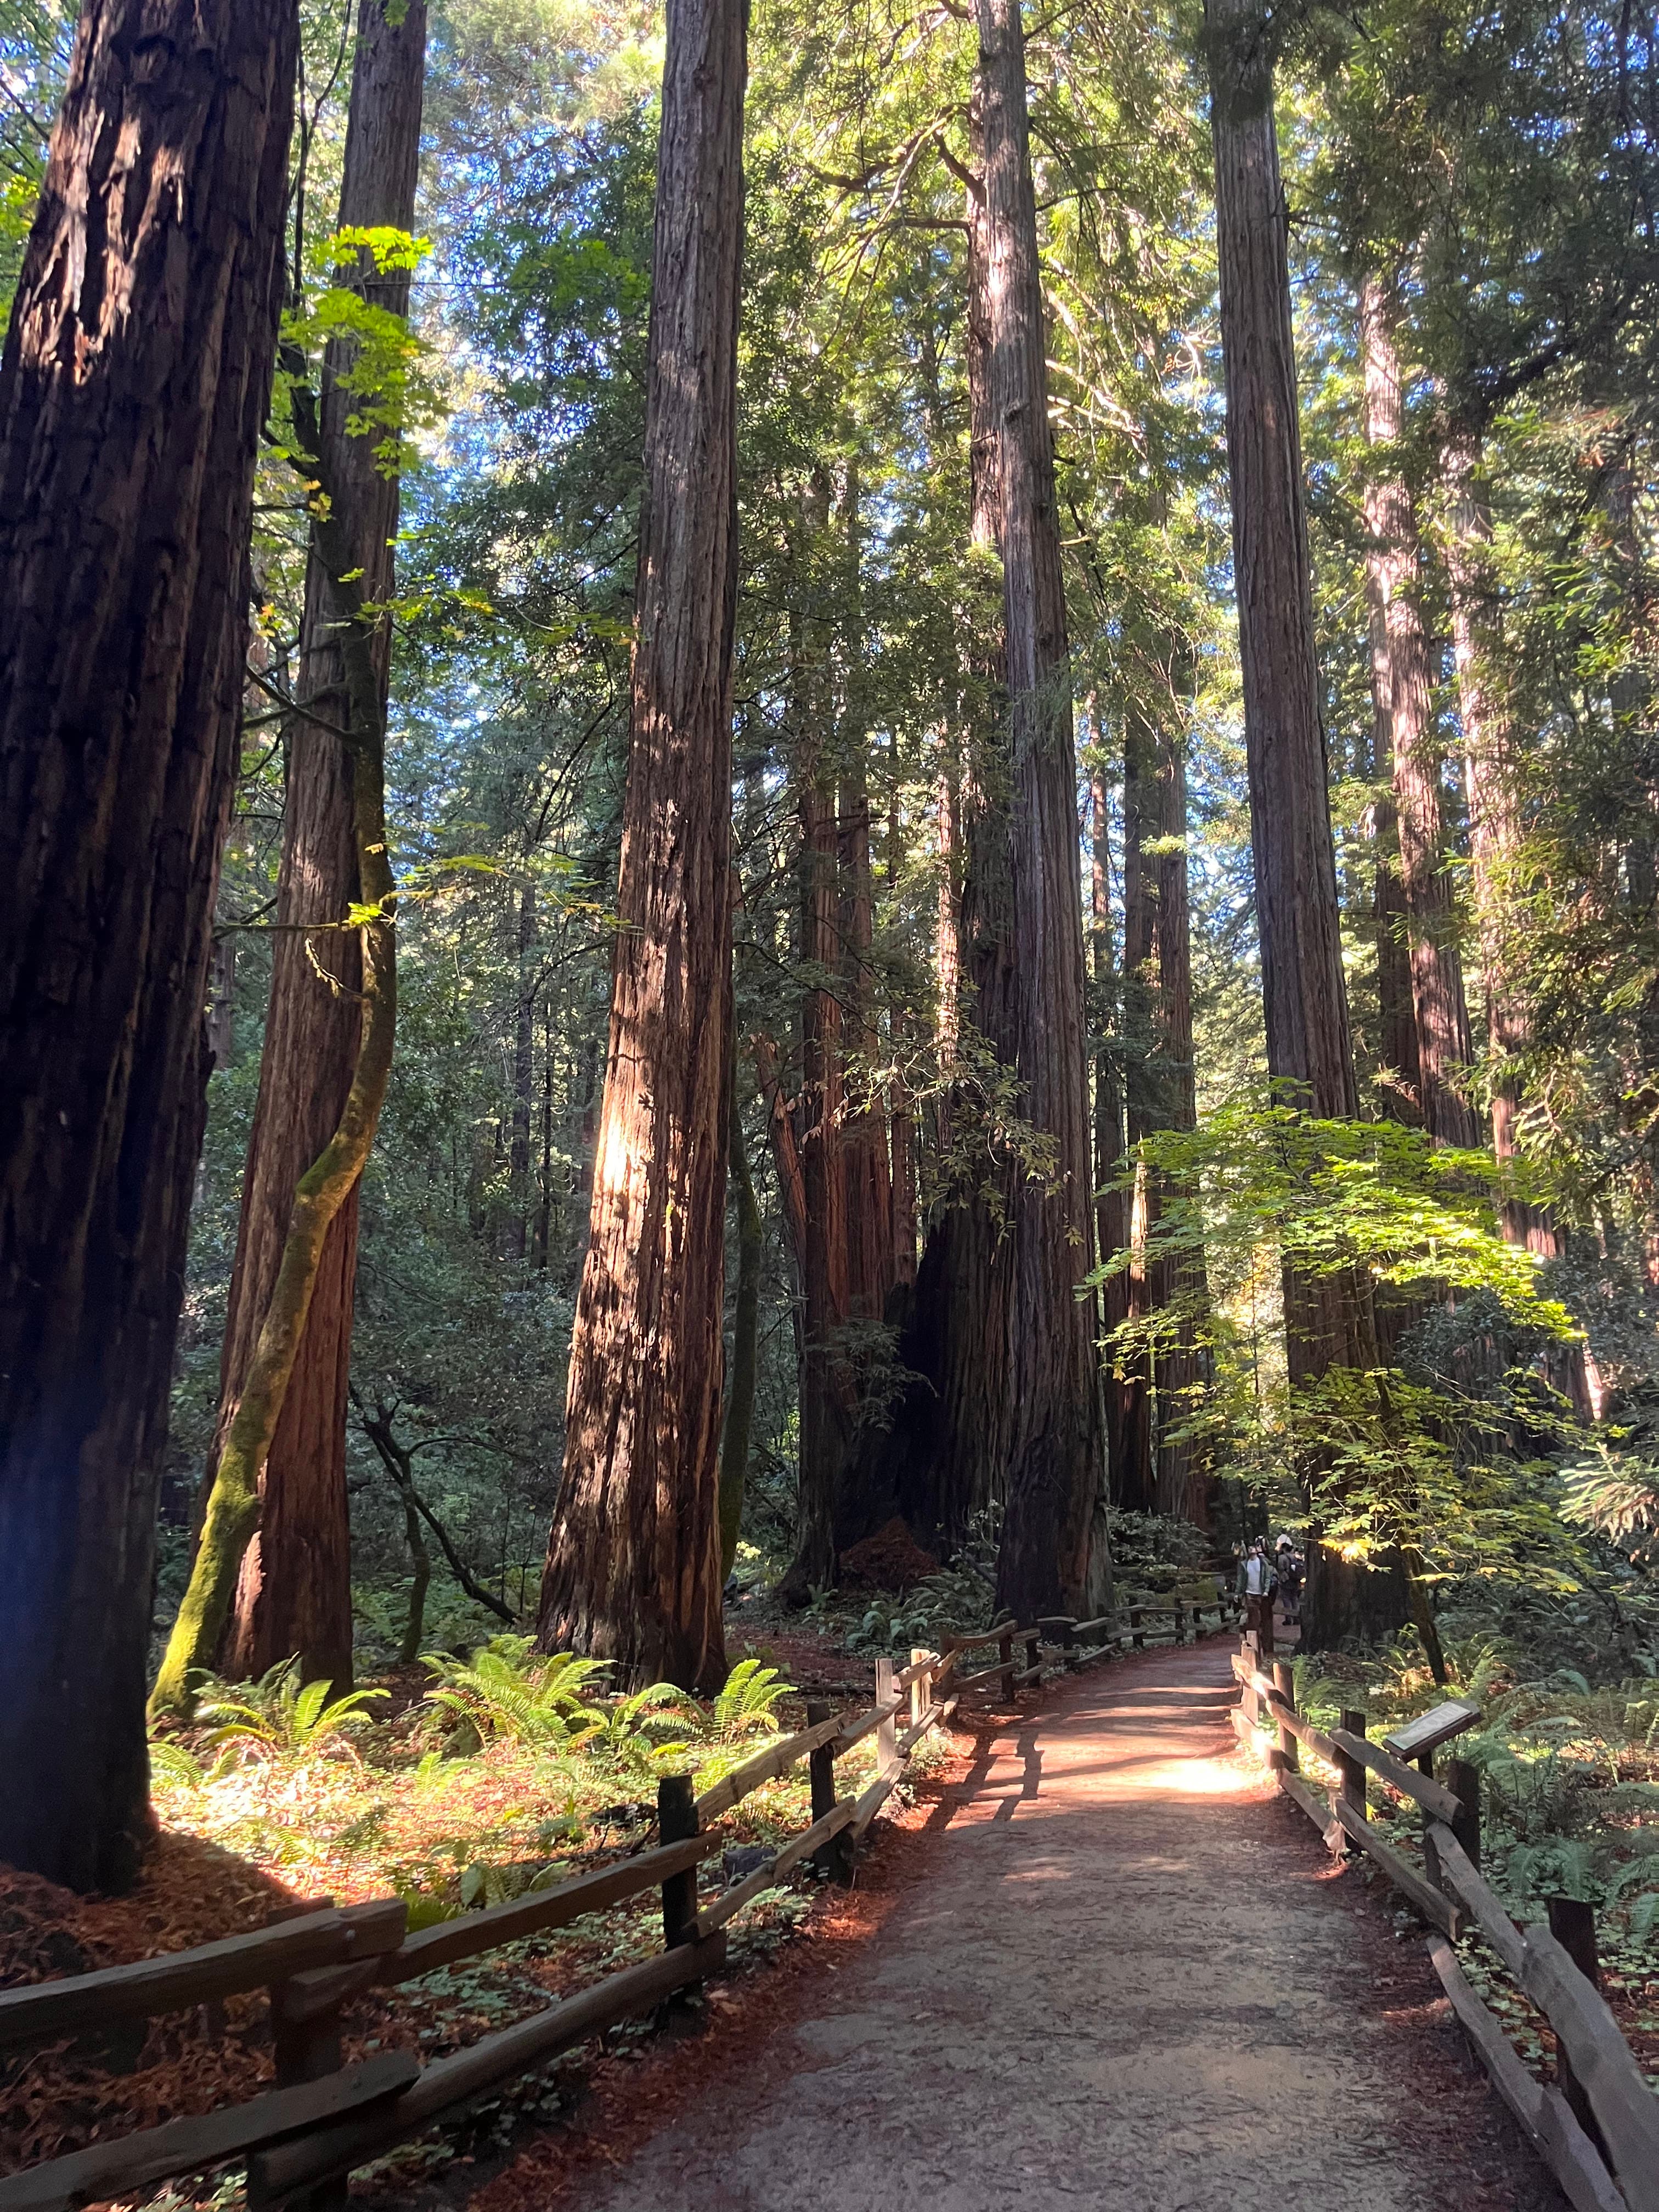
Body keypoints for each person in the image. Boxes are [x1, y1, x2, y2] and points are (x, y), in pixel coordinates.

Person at [1242, 1541, 1274, 1644]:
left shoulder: (1263, 1563)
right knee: (1253, 1617)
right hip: (1250, 1593)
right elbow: (1242, 1579)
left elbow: (1268, 1578)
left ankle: (1265, 1642)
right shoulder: (1245, 1564)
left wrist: (1266, 1591)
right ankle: (1254, 1641)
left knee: (1265, 1618)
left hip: (1262, 1594)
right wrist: (1239, 1593)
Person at [1274, 1534, 1303, 1630]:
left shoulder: (1282, 1558)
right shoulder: (1295, 1557)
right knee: (1294, 1599)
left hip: (1286, 1580)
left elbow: (1280, 1568)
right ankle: (1297, 1618)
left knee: (1286, 1599)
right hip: (1295, 1580)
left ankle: (1288, 1618)